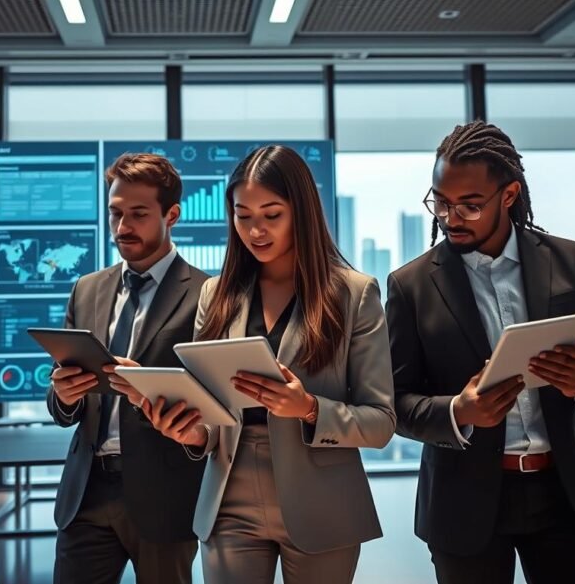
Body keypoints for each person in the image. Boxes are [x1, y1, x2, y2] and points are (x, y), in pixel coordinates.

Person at [386, 120, 575, 584]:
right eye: (439, 202)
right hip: (463, 503)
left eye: (469, 206)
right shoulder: (411, 286)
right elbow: (396, 404)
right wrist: (459, 411)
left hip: (564, 494)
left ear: (509, 194)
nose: (449, 217)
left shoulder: (570, 263)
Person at [144, 145, 395, 584]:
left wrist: (310, 409)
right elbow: (209, 415)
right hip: (229, 499)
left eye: (271, 215)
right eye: (243, 216)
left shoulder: (353, 295)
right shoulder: (216, 295)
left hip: (322, 502)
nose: (256, 230)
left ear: (301, 212)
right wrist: (190, 431)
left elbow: (381, 422)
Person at [46, 153, 208, 584]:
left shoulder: (208, 294)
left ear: (171, 214)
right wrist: (63, 397)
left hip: (164, 497)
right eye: (115, 213)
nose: (122, 228)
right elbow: (63, 401)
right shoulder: (87, 289)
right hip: (86, 493)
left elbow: (214, 405)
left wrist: (148, 391)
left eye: (138, 214)